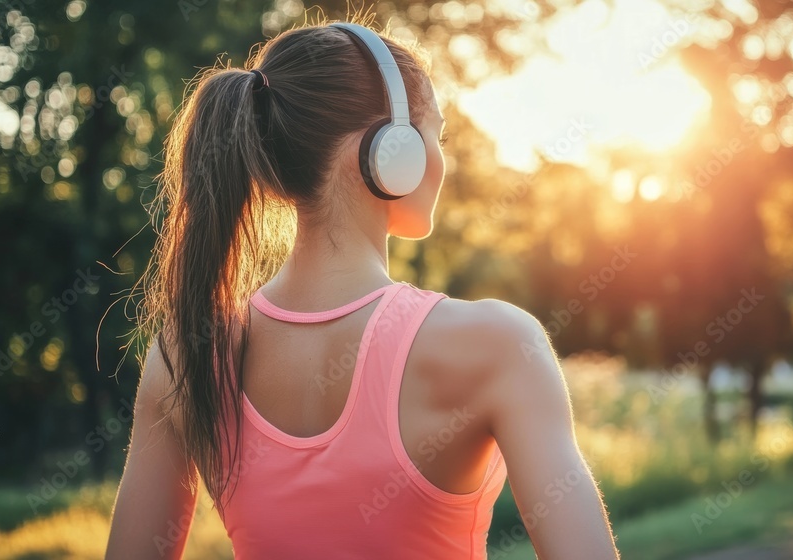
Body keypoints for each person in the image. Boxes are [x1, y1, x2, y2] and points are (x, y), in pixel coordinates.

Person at [105, 17, 619, 560]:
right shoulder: (498, 344)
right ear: (390, 150)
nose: (441, 159)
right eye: (434, 135)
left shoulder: (182, 355)